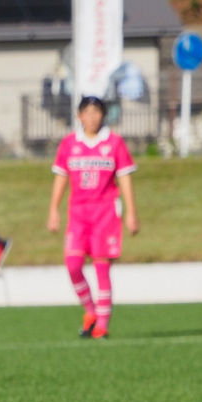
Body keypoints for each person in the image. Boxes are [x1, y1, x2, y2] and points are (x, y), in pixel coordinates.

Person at [47, 96, 138, 338]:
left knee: (101, 268)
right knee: (73, 265)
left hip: (105, 212)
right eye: (87, 112)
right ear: (79, 116)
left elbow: (125, 177)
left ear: (103, 115)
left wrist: (131, 212)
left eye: (96, 112)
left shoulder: (114, 142)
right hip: (78, 212)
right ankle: (91, 310)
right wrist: (53, 209)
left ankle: (102, 326)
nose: (92, 117)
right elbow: (61, 176)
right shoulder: (69, 143)